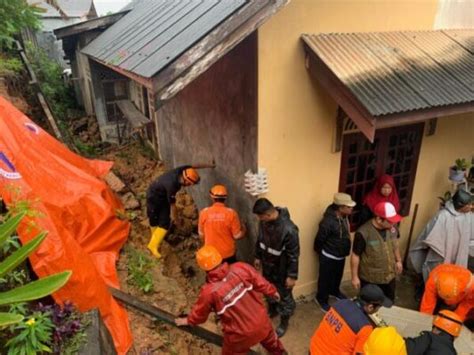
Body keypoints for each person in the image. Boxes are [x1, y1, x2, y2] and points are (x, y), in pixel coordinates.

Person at [174, 245, 287, 355]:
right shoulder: (241, 267)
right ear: (219, 257)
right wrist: (273, 291)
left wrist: (188, 320)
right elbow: (260, 281)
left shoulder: (209, 292)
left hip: (240, 336)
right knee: (274, 345)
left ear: (202, 267)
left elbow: (200, 314)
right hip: (262, 322)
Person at [253, 198, 300, 338]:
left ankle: (284, 322)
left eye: (261, 217)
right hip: (268, 267)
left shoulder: (289, 229)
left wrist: (292, 276)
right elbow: (259, 240)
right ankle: (273, 310)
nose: (259, 220)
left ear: (268, 214)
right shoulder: (264, 222)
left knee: (284, 298)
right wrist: (257, 256)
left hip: (282, 271)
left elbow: (294, 255)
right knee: (269, 291)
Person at [146, 163, 214, 258]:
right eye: (190, 184)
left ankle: (156, 240)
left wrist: (209, 164)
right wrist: (177, 220)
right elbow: (173, 205)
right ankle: (152, 245)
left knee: (164, 222)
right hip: (154, 197)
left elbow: (194, 165)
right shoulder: (172, 185)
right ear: (186, 180)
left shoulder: (181, 170)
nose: (190, 186)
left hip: (163, 196)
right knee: (155, 220)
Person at [309, 284, 393, 355]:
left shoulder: (340, 303)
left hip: (313, 350)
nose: (378, 310)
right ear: (370, 307)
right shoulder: (365, 328)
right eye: (379, 307)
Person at [409, 189, 473, 280]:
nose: (471, 207)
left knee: (455, 277)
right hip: (442, 254)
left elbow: (470, 235)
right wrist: (442, 250)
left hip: (459, 253)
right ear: (460, 205)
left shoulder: (468, 216)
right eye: (469, 205)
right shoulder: (443, 216)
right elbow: (431, 236)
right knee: (437, 277)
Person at [351, 201, 403, 302]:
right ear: (379, 219)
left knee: (389, 303)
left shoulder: (392, 228)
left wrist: (398, 260)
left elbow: (395, 244)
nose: (393, 223)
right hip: (371, 279)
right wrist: (354, 277)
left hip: (389, 276)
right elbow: (355, 255)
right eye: (390, 221)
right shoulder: (363, 233)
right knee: (370, 306)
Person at [313, 192, 355, 312]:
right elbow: (319, 239)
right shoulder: (327, 222)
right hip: (328, 256)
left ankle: (334, 291)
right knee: (324, 280)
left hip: (340, 256)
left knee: (337, 276)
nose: (351, 209)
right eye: (348, 207)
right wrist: (321, 253)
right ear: (340, 207)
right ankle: (321, 299)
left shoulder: (344, 216)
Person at [198, 184, 246, 264]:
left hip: (211, 254)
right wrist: (244, 229)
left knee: (213, 275)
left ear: (212, 197)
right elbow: (237, 236)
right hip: (228, 254)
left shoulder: (204, 213)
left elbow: (201, 235)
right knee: (229, 274)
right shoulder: (231, 213)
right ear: (225, 198)